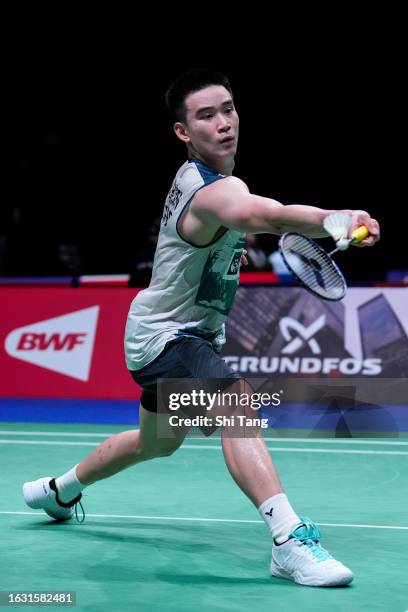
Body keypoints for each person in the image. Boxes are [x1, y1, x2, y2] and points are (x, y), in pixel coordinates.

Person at [23, 69, 380, 587]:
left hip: (171, 338)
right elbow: (265, 214)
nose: (223, 122)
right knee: (238, 403)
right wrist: (334, 217)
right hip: (165, 339)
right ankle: (288, 540)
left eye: (228, 109)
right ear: (183, 132)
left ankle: (58, 490)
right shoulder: (210, 191)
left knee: (157, 443)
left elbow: (259, 212)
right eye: (206, 115)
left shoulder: (218, 182)